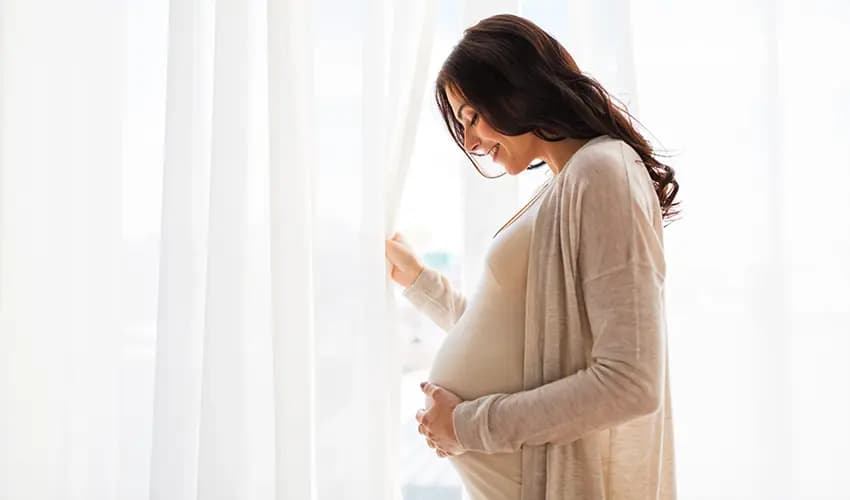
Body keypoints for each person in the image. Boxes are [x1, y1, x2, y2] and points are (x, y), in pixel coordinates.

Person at [385, 14, 679, 500]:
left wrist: (466, 426)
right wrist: (418, 281)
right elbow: (521, 340)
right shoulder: (567, 184)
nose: (472, 144)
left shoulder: (603, 173)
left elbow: (631, 382)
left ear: (515, 86)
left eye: (472, 117)